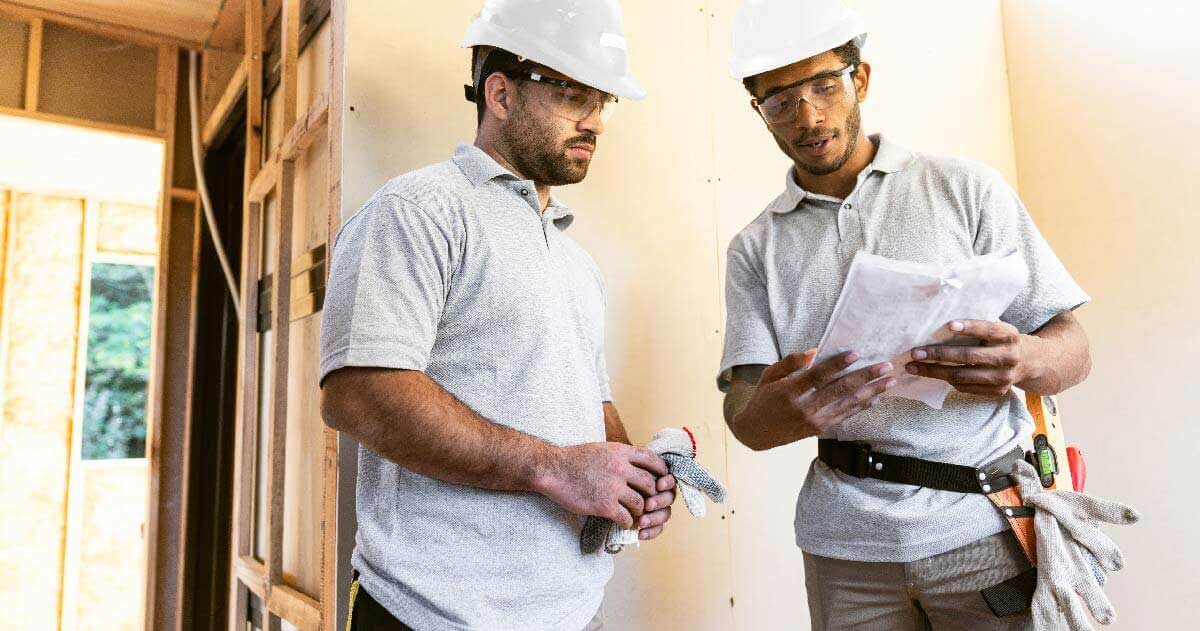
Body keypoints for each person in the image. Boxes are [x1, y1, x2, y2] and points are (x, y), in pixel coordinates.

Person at [719, 1, 1092, 629]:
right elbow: (745, 418)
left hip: (983, 528)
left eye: (822, 84)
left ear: (859, 79)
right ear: (758, 110)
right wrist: (784, 412)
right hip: (846, 551)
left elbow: (1073, 348)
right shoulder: (753, 249)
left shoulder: (964, 188)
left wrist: (1023, 358)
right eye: (779, 99)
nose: (807, 115)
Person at [319, 1, 675, 629]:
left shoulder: (576, 263)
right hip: (432, 614)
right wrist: (553, 468)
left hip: (571, 612)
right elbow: (358, 394)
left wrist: (634, 474)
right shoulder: (418, 211)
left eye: (603, 101)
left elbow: (590, 406)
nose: (595, 120)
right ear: (501, 94)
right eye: (573, 94)